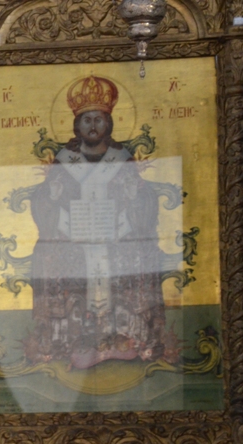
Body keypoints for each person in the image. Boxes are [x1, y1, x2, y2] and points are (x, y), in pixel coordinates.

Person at [27, 74, 166, 364]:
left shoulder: (122, 158)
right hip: (73, 238)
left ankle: (130, 337)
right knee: (49, 253)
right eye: (87, 120)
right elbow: (44, 204)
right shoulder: (65, 161)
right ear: (77, 125)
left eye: (99, 120)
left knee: (141, 251)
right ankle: (66, 339)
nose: (93, 126)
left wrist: (134, 198)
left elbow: (145, 202)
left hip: (117, 236)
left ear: (108, 123)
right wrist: (51, 196)